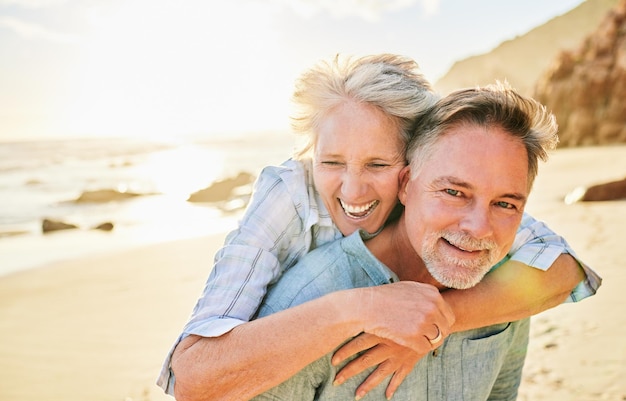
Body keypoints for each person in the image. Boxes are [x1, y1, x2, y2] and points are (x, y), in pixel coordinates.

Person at [159, 55, 600, 401]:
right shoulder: (291, 203)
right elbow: (195, 381)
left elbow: (564, 270)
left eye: (378, 164)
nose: (352, 189)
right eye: (331, 162)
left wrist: (437, 323)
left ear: (407, 170)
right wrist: (357, 309)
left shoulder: (482, 237)